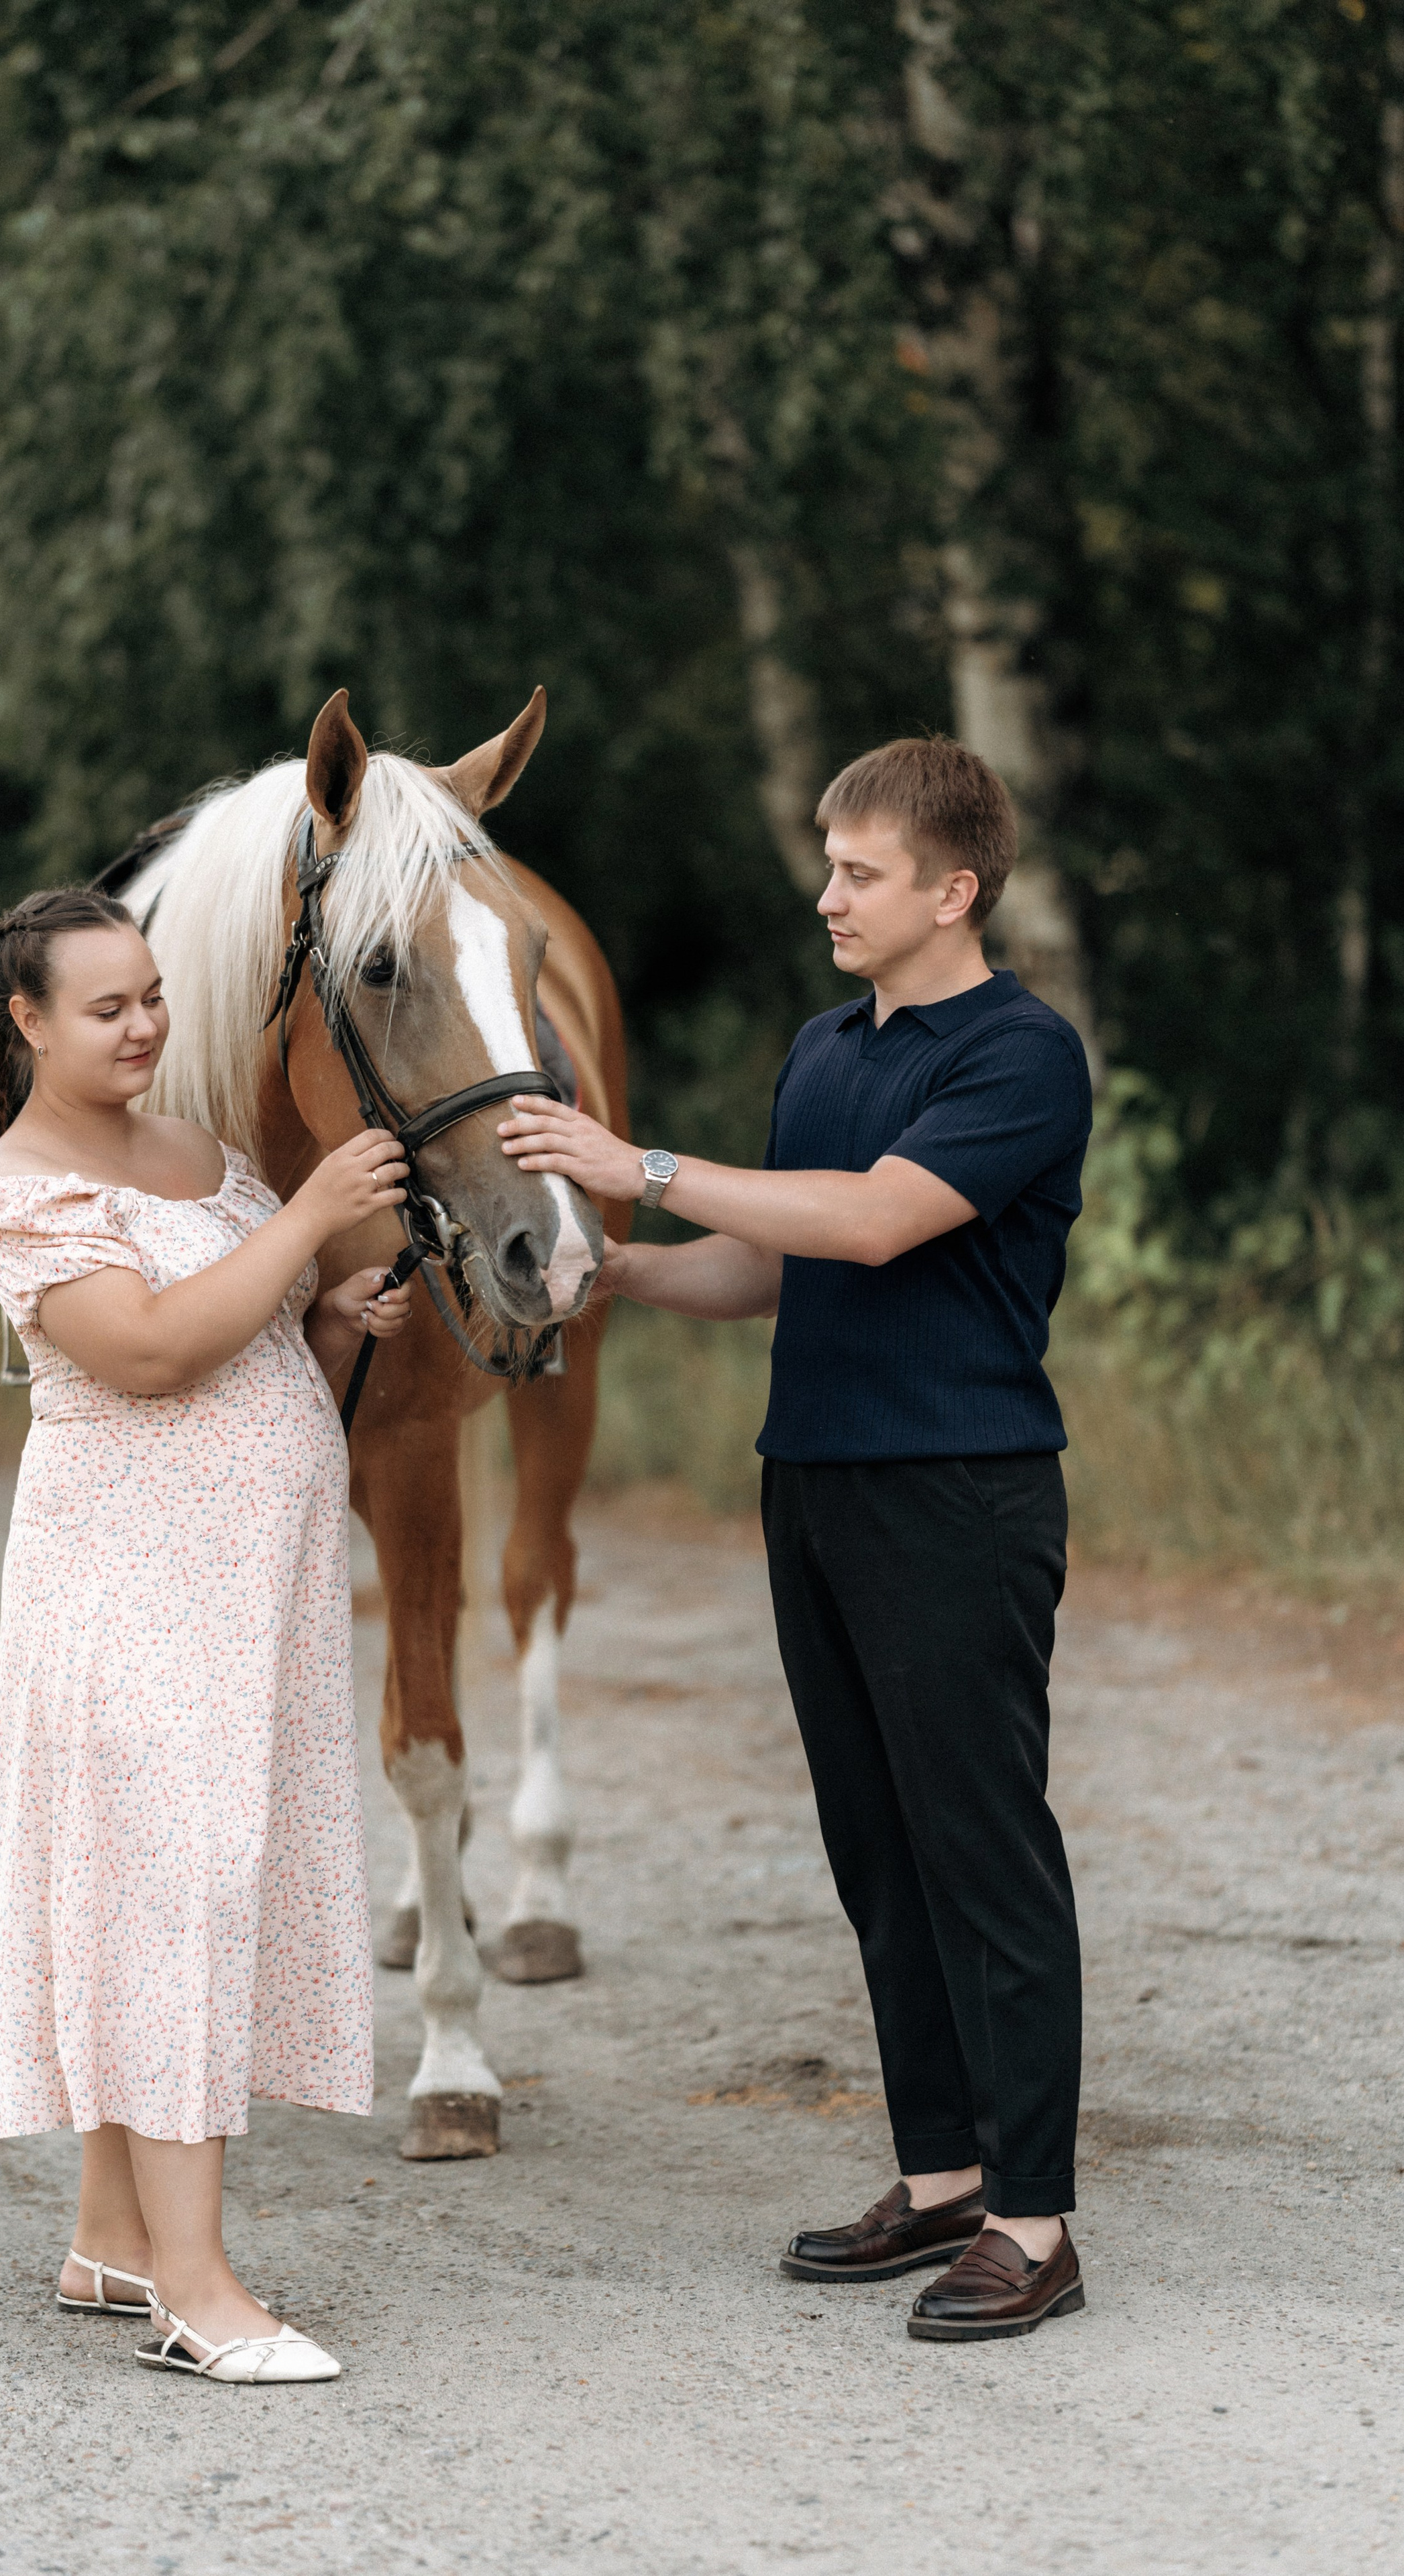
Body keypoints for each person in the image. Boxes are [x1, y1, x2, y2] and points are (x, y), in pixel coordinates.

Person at [499, 737, 1093, 2345]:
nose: (825, 893)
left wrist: (645, 1166)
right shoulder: (825, 1045)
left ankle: (1034, 2227)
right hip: (813, 1479)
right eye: (826, 863)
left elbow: (876, 1221)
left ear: (951, 890)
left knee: (979, 1849)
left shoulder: (1020, 1055)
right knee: (875, 1848)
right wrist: (617, 1264)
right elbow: (769, 1270)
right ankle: (945, 2175)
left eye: (860, 871)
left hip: (955, 1488)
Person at [0, 885, 414, 2385]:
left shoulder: (200, 1155)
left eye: (153, 994)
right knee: (170, 1902)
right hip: (131, 1590)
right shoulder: (23, 1190)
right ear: (27, 1022)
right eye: (108, 1006)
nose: (146, 1023)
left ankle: (110, 2235)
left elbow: (253, 1344)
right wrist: (305, 1222)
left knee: (173, 1887)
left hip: (248, 1595)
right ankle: (195, 2293)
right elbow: (150, 1353)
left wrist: (337, 1309)